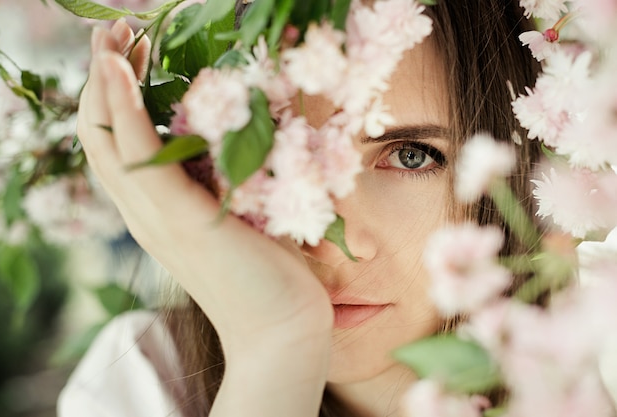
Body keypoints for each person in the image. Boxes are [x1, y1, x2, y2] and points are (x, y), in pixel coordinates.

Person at [58, 1, 542, 416]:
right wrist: (274, 347)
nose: (327, 242)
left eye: (410, 155)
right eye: (269, 151)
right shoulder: (143, 382)